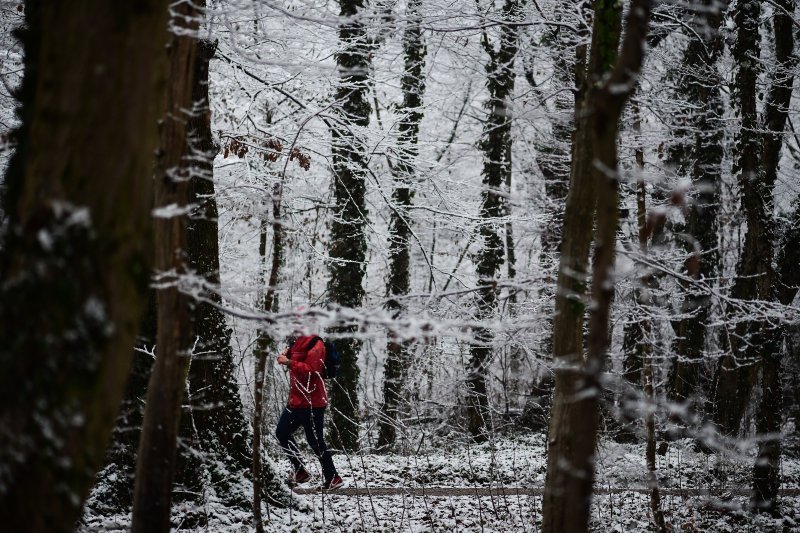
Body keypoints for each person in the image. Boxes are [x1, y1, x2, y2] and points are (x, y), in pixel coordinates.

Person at [275, 333, 343, 490]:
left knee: (315, 441)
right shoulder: (296, 342)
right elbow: (294, 359)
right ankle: (300, 471)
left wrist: (289, 362)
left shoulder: (316, 344)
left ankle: (333, 478)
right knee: (282, 433)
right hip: (296, 400)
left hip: (313, 402)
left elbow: (313, 370)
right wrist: (287, 353)